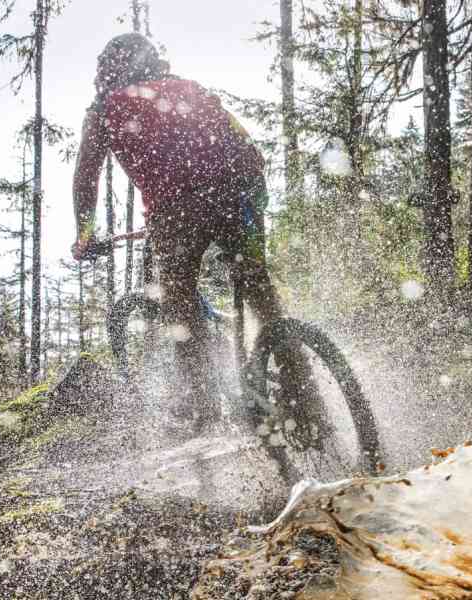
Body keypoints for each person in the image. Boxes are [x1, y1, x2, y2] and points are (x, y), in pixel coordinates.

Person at [70, 33, 301, 428]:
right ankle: (304, 389)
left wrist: (85, 234)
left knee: (178, 302)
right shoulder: (188, 87)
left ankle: (203, 410)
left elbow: (85, 179)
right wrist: (252, 200)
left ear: (106, 72)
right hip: (237, 194)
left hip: (175, 212)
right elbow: (245, 144)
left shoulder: (104, 109)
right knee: (258, 287)